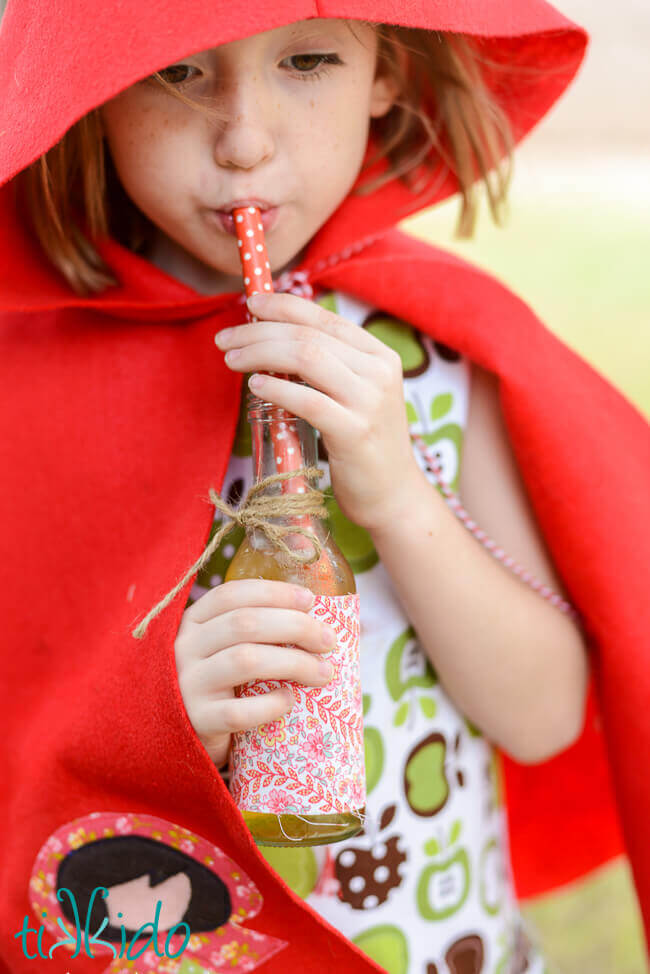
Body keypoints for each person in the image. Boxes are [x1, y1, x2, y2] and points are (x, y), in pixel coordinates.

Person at [1, 1, 648, 972]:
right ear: (94, 98)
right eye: (179, 71)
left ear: (384, 73)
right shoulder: (30, 380)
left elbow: (543, 713)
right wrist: (148, 715)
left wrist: (396, 492)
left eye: (304, 60)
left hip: (427, 945)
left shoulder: (427, 362)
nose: (243, 140)